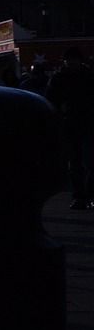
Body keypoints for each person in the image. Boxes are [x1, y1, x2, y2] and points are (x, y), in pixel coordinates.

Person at [46, 49, 94, 210]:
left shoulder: (88, 77)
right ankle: (81, 196)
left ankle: (87, 194)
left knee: (87, 162)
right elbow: (51, 100)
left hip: (86, 122)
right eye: (69, 60)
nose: (71, 62)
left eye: (73, 59)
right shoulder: (59, 78)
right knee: (75, 163)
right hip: (70, 124)